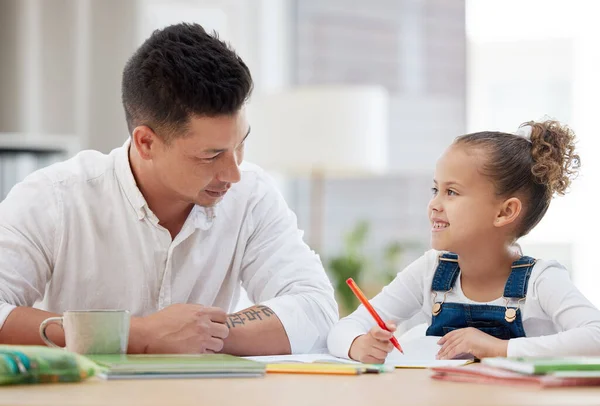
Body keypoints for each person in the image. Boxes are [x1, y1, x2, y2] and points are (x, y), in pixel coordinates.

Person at [0, 23, 337, 355]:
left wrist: (204, 333)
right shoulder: (54, 197)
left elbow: (316, 307)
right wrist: (139, 335)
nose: (233, 173)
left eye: (240, 144)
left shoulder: (252, 196)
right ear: (146, 142)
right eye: (211, 155)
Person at [328, 119, 600, 363]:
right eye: (436, 189)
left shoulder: (541, 280)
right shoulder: (429, 271)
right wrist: (357, 344)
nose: (434, 204)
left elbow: (595, 337)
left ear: (505, 212)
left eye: (452, 192)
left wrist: (499, 348)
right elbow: (343, 328)